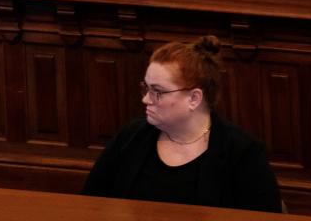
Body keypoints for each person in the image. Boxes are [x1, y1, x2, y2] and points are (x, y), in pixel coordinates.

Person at [82, 36, 282, 212]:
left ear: (194, 98)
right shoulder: (131, 137)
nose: (146, 99)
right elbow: (89, 205)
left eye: (157, 92)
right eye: (146, 88)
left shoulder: (242, 153)